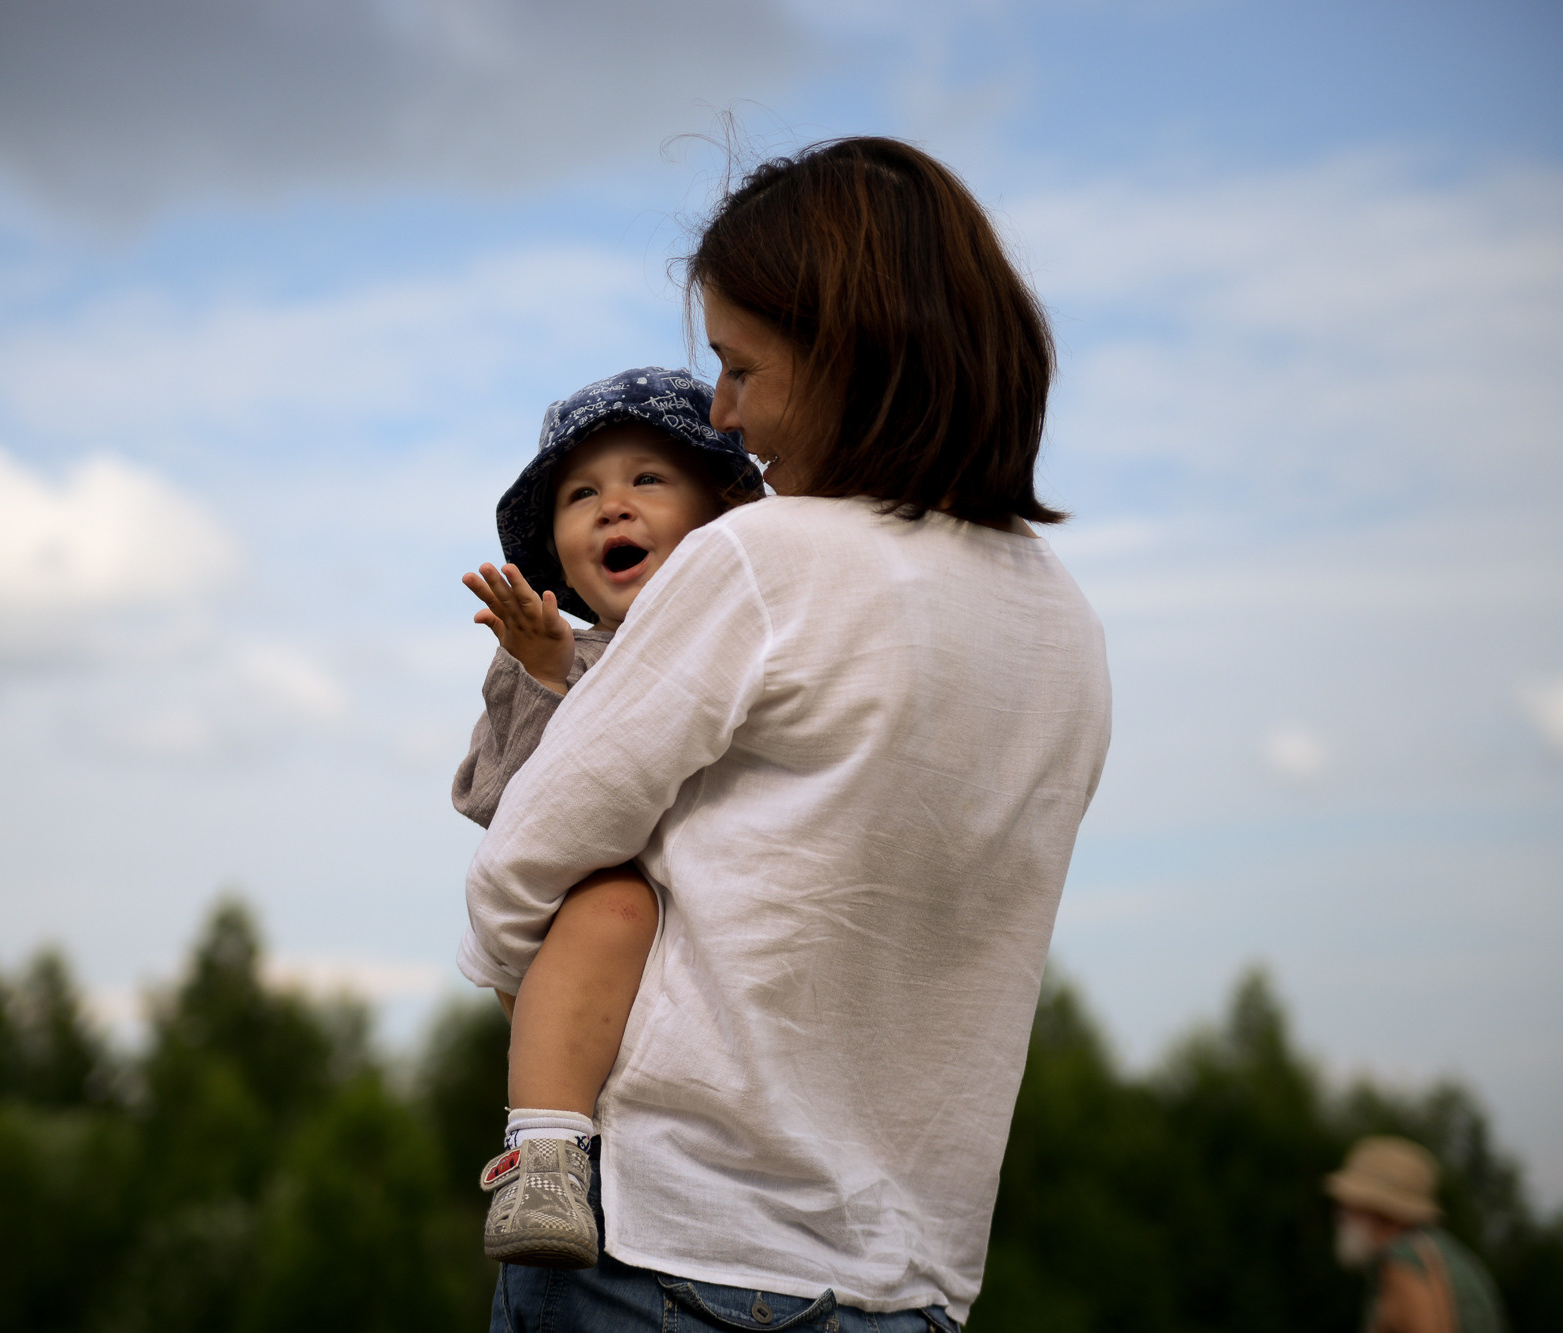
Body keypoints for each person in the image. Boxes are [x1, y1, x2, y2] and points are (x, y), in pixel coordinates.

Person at [459, 136, 1112, 1330]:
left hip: (664, 1248)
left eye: (737, 364)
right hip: (903, 1279)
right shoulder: (1059, 616)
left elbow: (522, 868)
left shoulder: (759, 559)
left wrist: (560, 1019)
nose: (722, 410)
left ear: (845, 352)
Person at [451, 366, 762, 1267]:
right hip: (577, 953)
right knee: (612, 902)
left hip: (704, 975)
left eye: (647, 480)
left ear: (723, 512)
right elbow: (517, 814)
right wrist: (553, 679)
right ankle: (545, 1155)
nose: (612, 508)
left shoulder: (754, 641)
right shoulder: (555, 656)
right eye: (582, 494)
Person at [1328, 1136, 1507, 1333]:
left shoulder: (1405, 1258)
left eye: (1351, 1204)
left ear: (1382, 1209)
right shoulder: (1437, 1251)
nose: (1340, 1213)